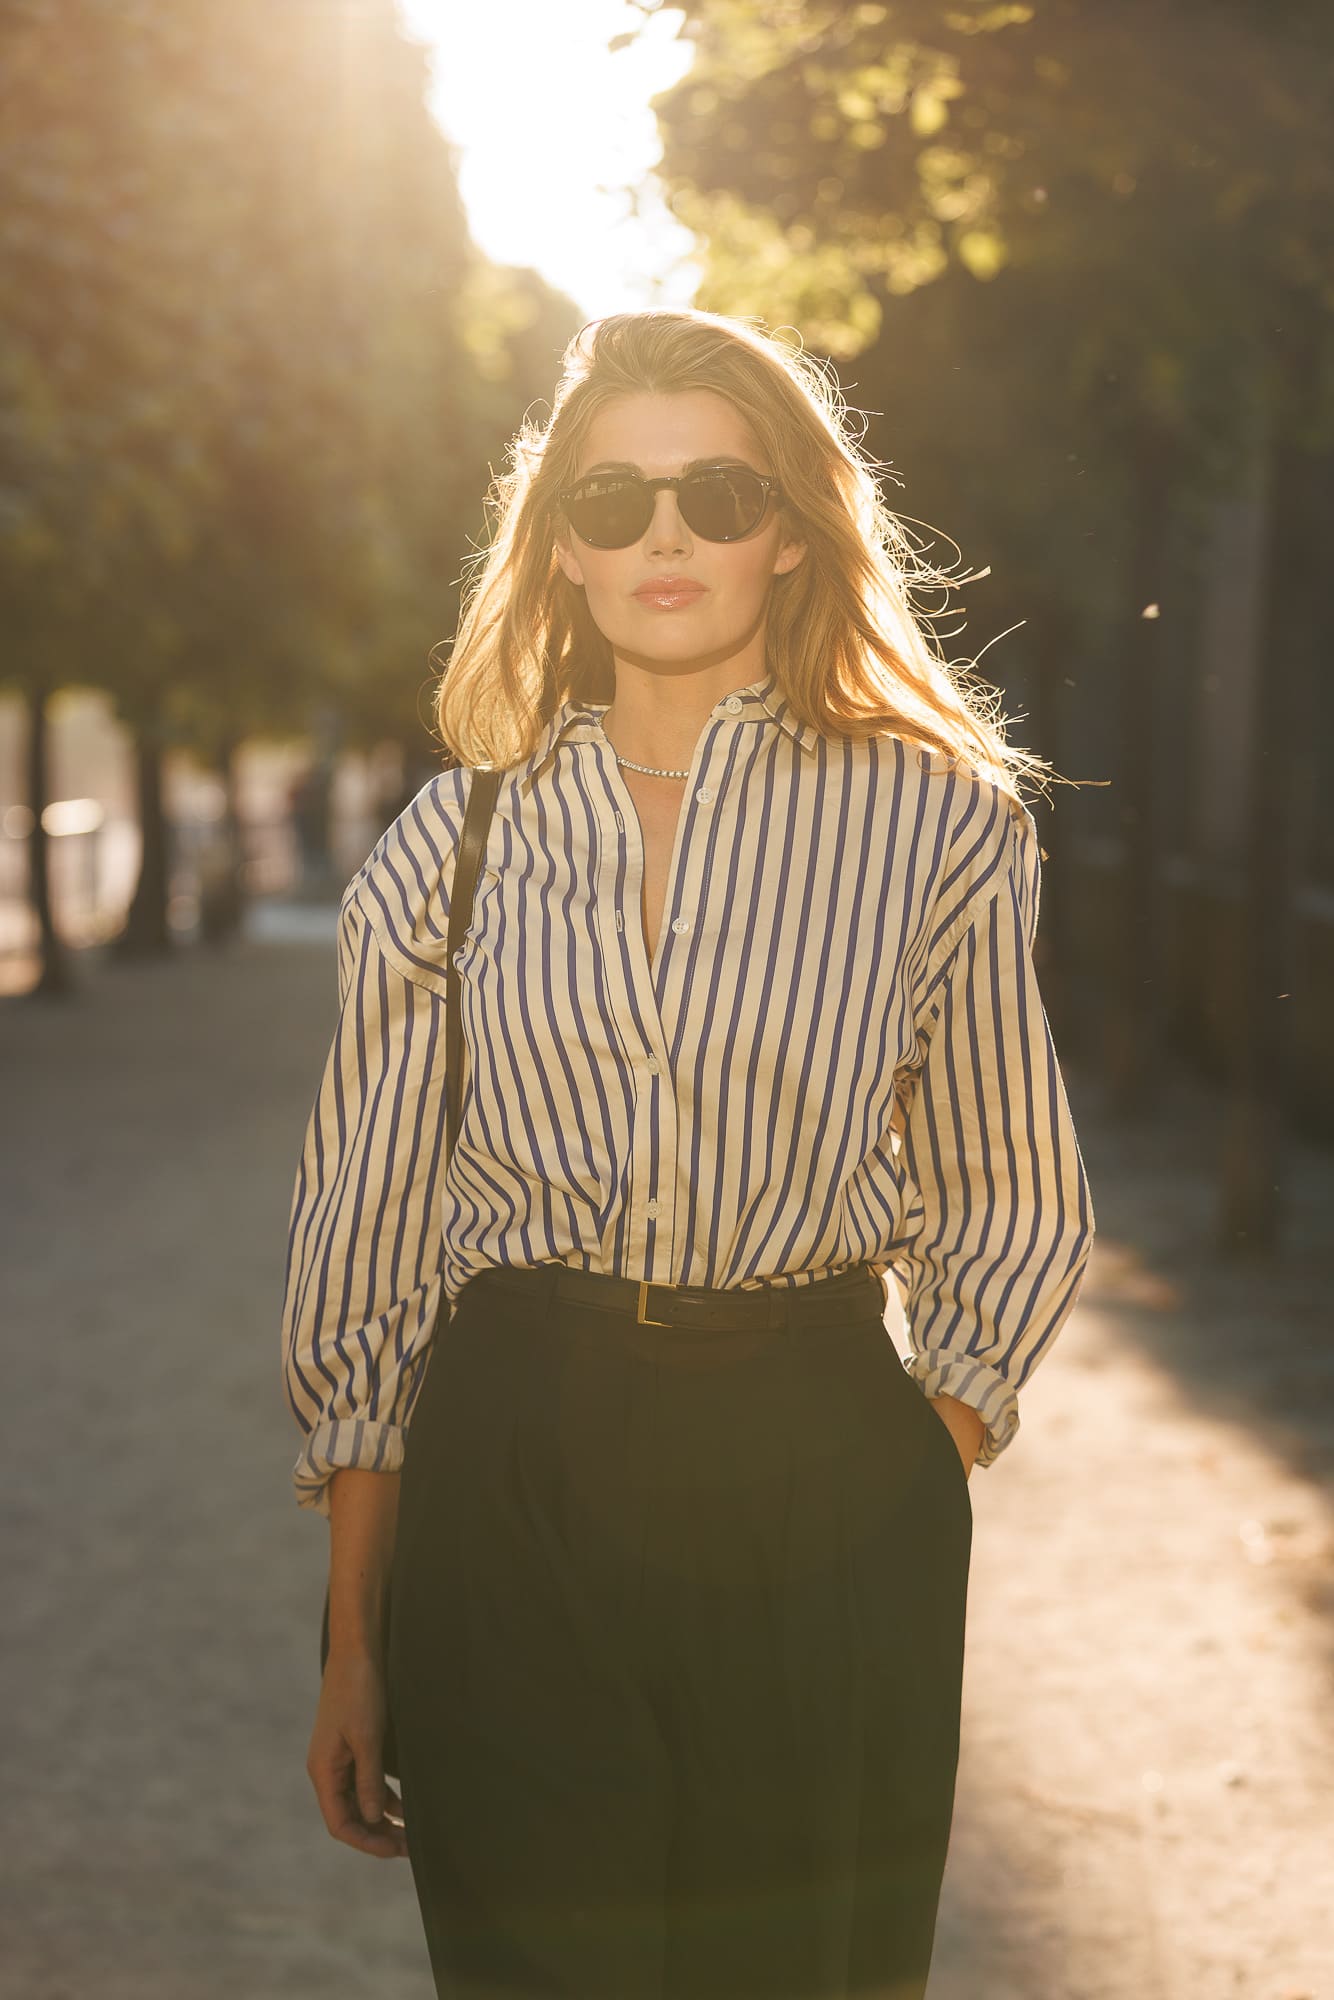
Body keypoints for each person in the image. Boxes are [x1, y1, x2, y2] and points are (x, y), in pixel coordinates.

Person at [279, 307, 1096, 1999]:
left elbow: (1011, 1193)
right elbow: (362, 1257)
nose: (666, 536)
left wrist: (909, 1457)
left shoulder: (941, 824)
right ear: (556, 549)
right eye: (615, 500)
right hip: (513, 1474)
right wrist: (357, 1640)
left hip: (816, 1464)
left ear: (788, 537)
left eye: (718, 496)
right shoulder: (449, 845)